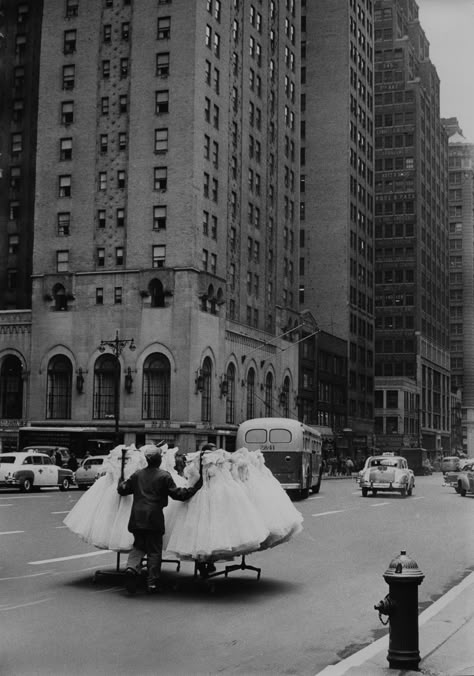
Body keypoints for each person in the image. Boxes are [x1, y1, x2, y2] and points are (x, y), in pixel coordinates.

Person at [117, 445, 203, 595]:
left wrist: (121, 480)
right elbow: (178, 495)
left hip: (136, 517)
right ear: (159, 460)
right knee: (154, 551)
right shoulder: (164, 476)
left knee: (138, 546)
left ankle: (131, 568)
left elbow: (123, 489)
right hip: (154, 517)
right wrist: (194, 488)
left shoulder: (137, 475)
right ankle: (152, 583)